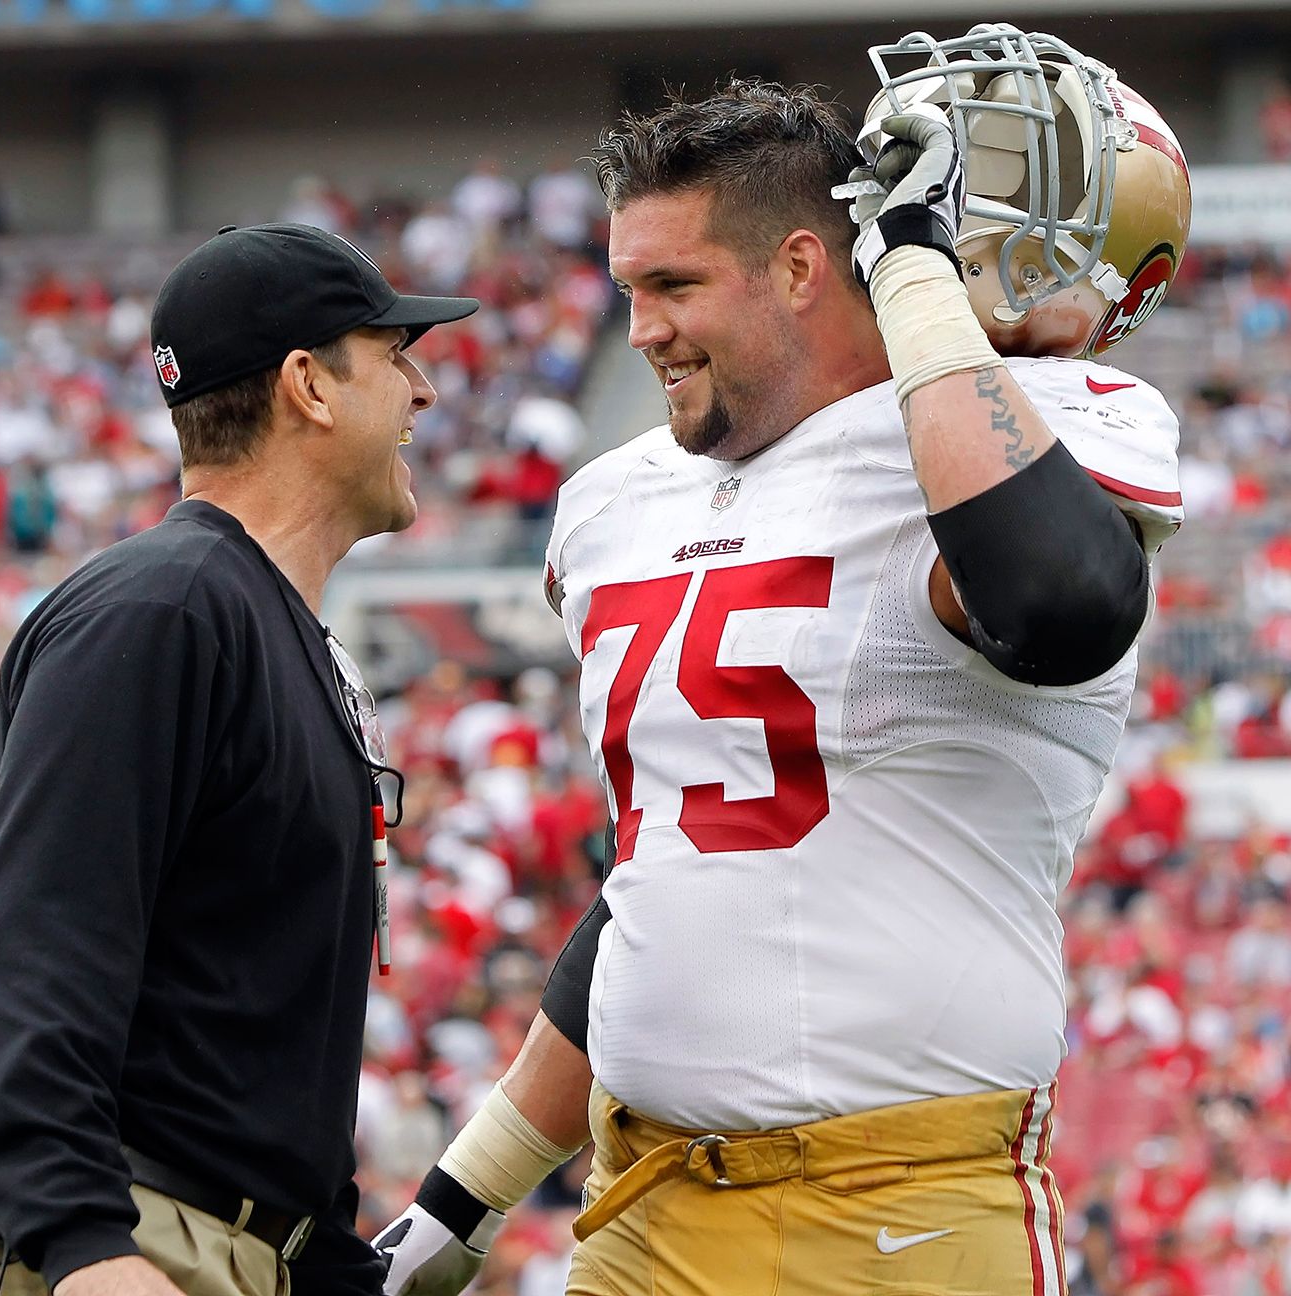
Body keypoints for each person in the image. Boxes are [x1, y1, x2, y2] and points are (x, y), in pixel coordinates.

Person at [376, 23, 1192, 1296]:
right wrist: (457, 1205)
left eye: (674, 286)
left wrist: (917, 270)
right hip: (638, 1209)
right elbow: (667, 885)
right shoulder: (618, 500)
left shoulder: (1017, 433)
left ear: (807, 263)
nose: (637, 331)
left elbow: (1059, 604)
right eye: (626, 288)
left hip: (903, 1212)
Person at [0, 222, 479, 1296]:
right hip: (142, 1241)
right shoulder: (160, 610)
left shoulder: (250, 618)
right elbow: (35, 959)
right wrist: (80, 1247)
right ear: (308, 385)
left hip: (243, 1247)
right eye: (394, 354)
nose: (424, 394)